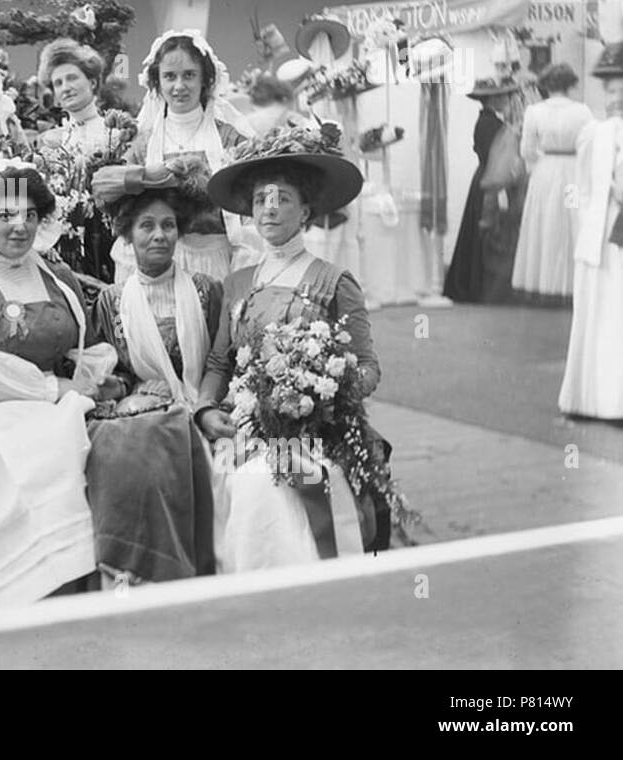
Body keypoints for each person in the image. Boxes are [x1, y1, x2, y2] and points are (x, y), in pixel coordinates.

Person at [193, 125, 386, 572]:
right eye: (261, 199)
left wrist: (324, 393)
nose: (270, 209)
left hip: (315, 431)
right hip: (244, 430)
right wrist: (205, 409)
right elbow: (220, 362)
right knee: (245, 477)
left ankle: (306, 583)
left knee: (272, 478)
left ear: (306, 211)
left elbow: (370, 367)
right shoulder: (238, 284)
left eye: (283, 198)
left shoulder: (333, 281)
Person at [0, 158, 119, 606]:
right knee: (44, 454)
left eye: (29, 216)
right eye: (5, 215)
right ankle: (38, 585)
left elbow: (83, 344)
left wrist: (93, 381)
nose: (19, 226)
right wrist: (53, 391)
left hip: (62, 395)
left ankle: (91, 581)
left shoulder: (57, 274)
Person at [88, 185, 222, 584]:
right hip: (138, 413)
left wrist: (206, 404)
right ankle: (140, 569)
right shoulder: (112, 301)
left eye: (168, 225)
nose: (159, 235)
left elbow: (220, 360)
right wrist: (115, 388)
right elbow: (115, 370)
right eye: (147, 226)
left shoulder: (205, 290)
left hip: (198, 403)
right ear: (128, 237)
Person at [93, 30, 255, 283]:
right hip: (155, 263)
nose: (179, 86)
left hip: (216, 263)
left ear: (205, 80)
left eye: (189, 75)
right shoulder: (142, 145)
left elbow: (258, 200)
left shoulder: (230, 140)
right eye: (169, 77)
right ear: (157, 82)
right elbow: (113, 203)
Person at [558, 46, 623, 422]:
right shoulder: (593, 134)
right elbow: (581, 188)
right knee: (597, 315)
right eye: (610, 90)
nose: (615, 98)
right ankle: (590, 398)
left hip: (614, 239)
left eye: (621, 90)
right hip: (598, 238)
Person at [511, 64, 594, 301]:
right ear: (570, 84)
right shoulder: (582, 112)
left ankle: (543, 283)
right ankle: (570, 283)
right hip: (572, 172)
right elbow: (589, 146)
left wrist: (538, 165)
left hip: (545, 173)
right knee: (572, 221)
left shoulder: (534, 112)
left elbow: (526, 150)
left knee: (544, 222)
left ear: (546, 85)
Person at [443, 74, 520, 303]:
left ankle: (475, 284)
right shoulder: (492, 124)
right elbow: (498, 158)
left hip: (484, 177)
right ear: (493, 99)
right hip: (491, 179)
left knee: (480, 234)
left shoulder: (488, 121)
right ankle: (478, 287)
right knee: (487, 232)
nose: (506, 99)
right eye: (503, 96)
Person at [34, 38, 111, 157]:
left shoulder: (114, 134)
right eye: (58, 83)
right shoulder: (45, 142)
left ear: (92, 83)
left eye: (72, 78)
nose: (66, 88)